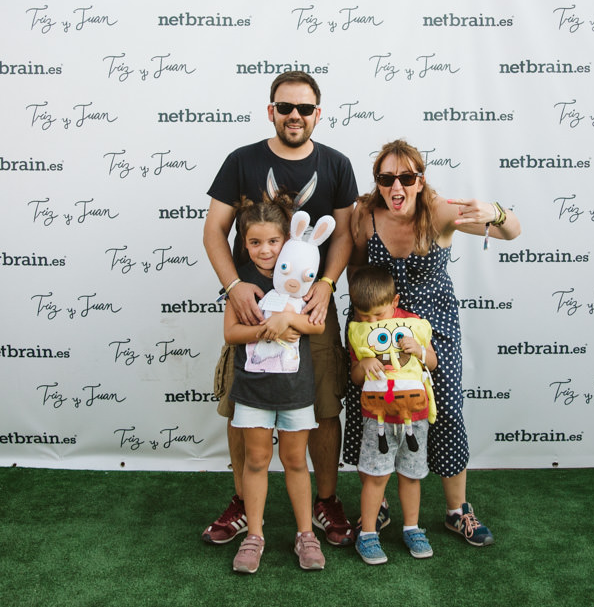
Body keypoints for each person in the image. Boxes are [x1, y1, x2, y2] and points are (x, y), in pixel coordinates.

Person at [202, 70, 359, 547]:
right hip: (250, 306)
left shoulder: (336, 164)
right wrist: (234, 286)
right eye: (285, 107)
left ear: (318, 114)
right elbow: (213, 231)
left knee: (324, 405)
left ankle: (326, 501)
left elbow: (344, 233)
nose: (295, 115)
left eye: (304, 108)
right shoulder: (241, 160)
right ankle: (241, 503)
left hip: (313, 308)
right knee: (241, 406)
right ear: (271, 111)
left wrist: (328, 285)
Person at [346, 139, 521, 547]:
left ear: (420, 180)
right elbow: (356, 270)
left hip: (433, 331)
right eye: (386, 178)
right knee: (371, 412)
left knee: (445, 412)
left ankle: (457, 511)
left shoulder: (439, 211)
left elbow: (512, 231)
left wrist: (495, 212)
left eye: (407, 177)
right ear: (377, 181)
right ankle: (378, 505)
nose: (397, 186)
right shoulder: (365, 214)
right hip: (376, 330)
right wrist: (360, 330)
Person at [223, 194, 326, 573]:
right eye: (255, 242)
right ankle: (254, 536)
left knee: (296, 460)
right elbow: (231, 333)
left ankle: (306, 535)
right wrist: (268, 329)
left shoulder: (302, 276)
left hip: (296, 390)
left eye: (272, 241)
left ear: (287, 240)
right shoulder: (241, 284)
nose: (265, 250)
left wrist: (289, 321)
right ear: (244, 243)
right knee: (256, 460)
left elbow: (317, 325)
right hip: (253, 390)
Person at [347, 265, 437, 565]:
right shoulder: (359, 332)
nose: (371, 322)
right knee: (376, 477)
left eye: (378, 315)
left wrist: (419, 350)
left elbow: (433, 362)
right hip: (378, 419)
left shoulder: (413, 323)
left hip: (415, 416)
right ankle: (368, 534)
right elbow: (355, 376)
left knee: (411, 476)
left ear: (395, 301)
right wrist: (364, 364)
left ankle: (412, 528)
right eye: (364, 316)